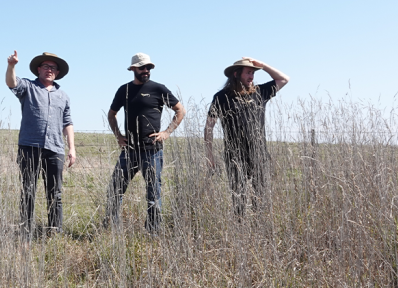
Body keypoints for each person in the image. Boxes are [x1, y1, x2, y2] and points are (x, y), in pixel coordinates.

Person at [105, 53, 186, 233]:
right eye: (142, 68)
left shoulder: (158, 89)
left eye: (148, 68)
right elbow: (111, 114)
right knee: (115, 187)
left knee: (153, 191)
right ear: (133, 69)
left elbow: (180, 110)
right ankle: (111, 228)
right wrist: (118, 136)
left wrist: (167, 132)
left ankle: (153, 230)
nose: (146, 71)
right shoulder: (124, 90)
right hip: (129, 149)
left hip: (152, 150)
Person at [204, 57, 289, 216]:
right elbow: (209, 127)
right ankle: (240, 230)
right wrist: (210, 156)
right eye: (248, 73)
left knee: (261, 198)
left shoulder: (260, 92)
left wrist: (263, 66)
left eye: (253, 73)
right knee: (238, 199)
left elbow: (284, 79)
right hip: (235, 156)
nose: (252, 76)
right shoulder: (221, 97)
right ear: (236, 74)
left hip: (259, 154)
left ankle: (260, 229)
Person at [5, 50, 76, 238]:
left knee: (55, 194)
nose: (49, 70)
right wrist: (11, 65)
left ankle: (54, 233)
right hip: (29, 147)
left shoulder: (63, 96)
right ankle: (26, 231)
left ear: (58, 73)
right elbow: (12, 83)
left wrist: (72, 148)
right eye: (46, 66)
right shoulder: (28, 87)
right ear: (38, 69)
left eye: (53, 68)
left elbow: (67, 122)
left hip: (55, 149)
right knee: (28, 191)